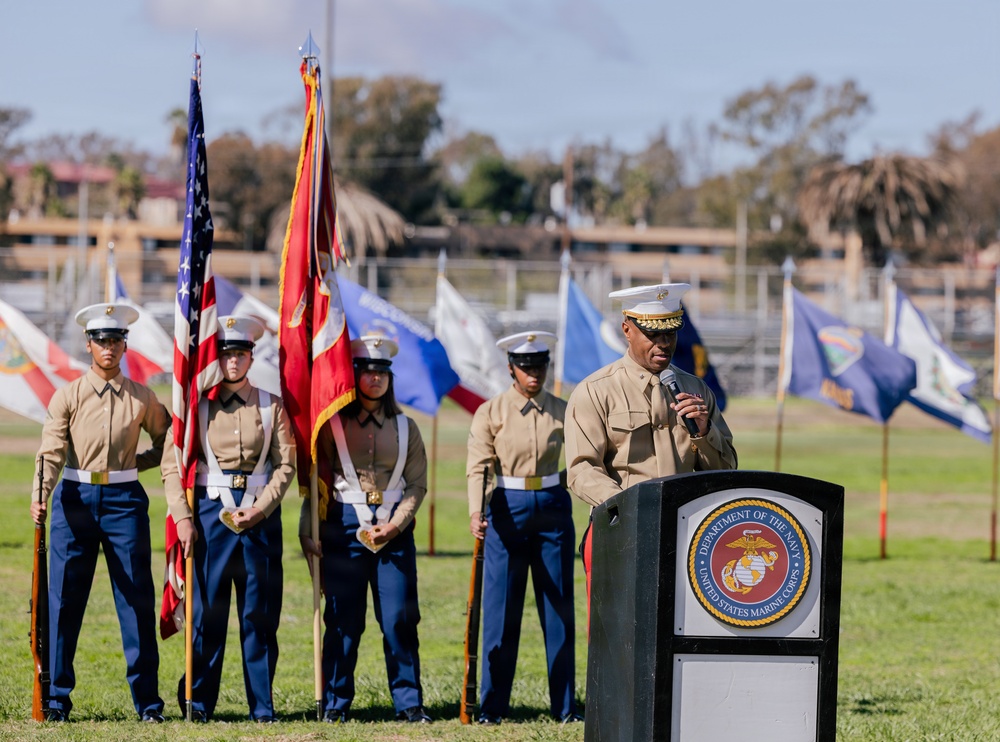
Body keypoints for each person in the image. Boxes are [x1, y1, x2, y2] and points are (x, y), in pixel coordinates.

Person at [30, 303, 170, 723]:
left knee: (136, 601)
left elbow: (168, 443)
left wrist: (135, 466)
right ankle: (55, 698)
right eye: (101, 341)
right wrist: (41, 493)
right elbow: (50, 451)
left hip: (125, 502)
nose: (108, 348)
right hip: (73, 499)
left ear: (125, 346)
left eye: (115, 341)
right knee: (64, 600)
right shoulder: (68, 395)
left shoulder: (143, 397)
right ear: (88, 345)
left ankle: (148, 703)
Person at [161, 315, 295, 723]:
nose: (233, 361)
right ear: (215, 358)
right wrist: (182, 518)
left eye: (240, 353)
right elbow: (172, 467)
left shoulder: (272, 405)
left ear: (252, 357)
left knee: (259, 616)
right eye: (225, 353)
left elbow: (285, 465)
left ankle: (262, 707)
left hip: (260, 520)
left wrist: (262, 507)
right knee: (208, 614)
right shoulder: (195, 407)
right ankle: (198, 703)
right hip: (209, 519)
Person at [564, 284, 737, 596]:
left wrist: (702, 430)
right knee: (616, 640)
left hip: (686, 535)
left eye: (670, 334)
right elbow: (582, 471)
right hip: (620, 530)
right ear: (627, 330)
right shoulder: (595, 391)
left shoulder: (696, 389)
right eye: (653, 334)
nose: (664, 344)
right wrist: (631, 509)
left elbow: (726, 470)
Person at [299, 334, 433, 725]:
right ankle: (335, 703)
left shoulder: (407, 428)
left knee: (399, 619)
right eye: (367, 372)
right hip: (343, 531)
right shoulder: (330, 427)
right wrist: (307, 530)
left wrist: (395, 525)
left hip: (394, 535)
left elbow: (417, 484)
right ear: (352, 375)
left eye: (382, 373)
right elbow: (316, 483)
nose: (375, 379)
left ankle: (409, 702)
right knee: (343, 620)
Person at [466, 331, 582, 725]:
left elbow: (588, 451)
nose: (534, 374)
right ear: (511, 369)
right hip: (506, 509)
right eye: (526, 367)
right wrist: (474, 510)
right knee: (500, 611)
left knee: (559, 609)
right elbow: (478, 465)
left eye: (540, 367)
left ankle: (565, 707)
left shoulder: (565, 409)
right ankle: (492, 707)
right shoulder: (492, 411)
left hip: (552, 506)